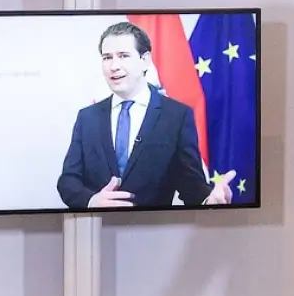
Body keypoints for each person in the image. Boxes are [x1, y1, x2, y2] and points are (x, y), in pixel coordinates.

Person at [57, 21, 235, 209]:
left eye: (123, 56)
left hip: (151, 225)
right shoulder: (87, 118)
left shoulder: (176, 116)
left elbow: (191, 186)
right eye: (107, 58)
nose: (114, 66)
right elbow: (68, 181)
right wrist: (91, 201)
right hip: (96, 224)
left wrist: (209, 202)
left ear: (145, 60)